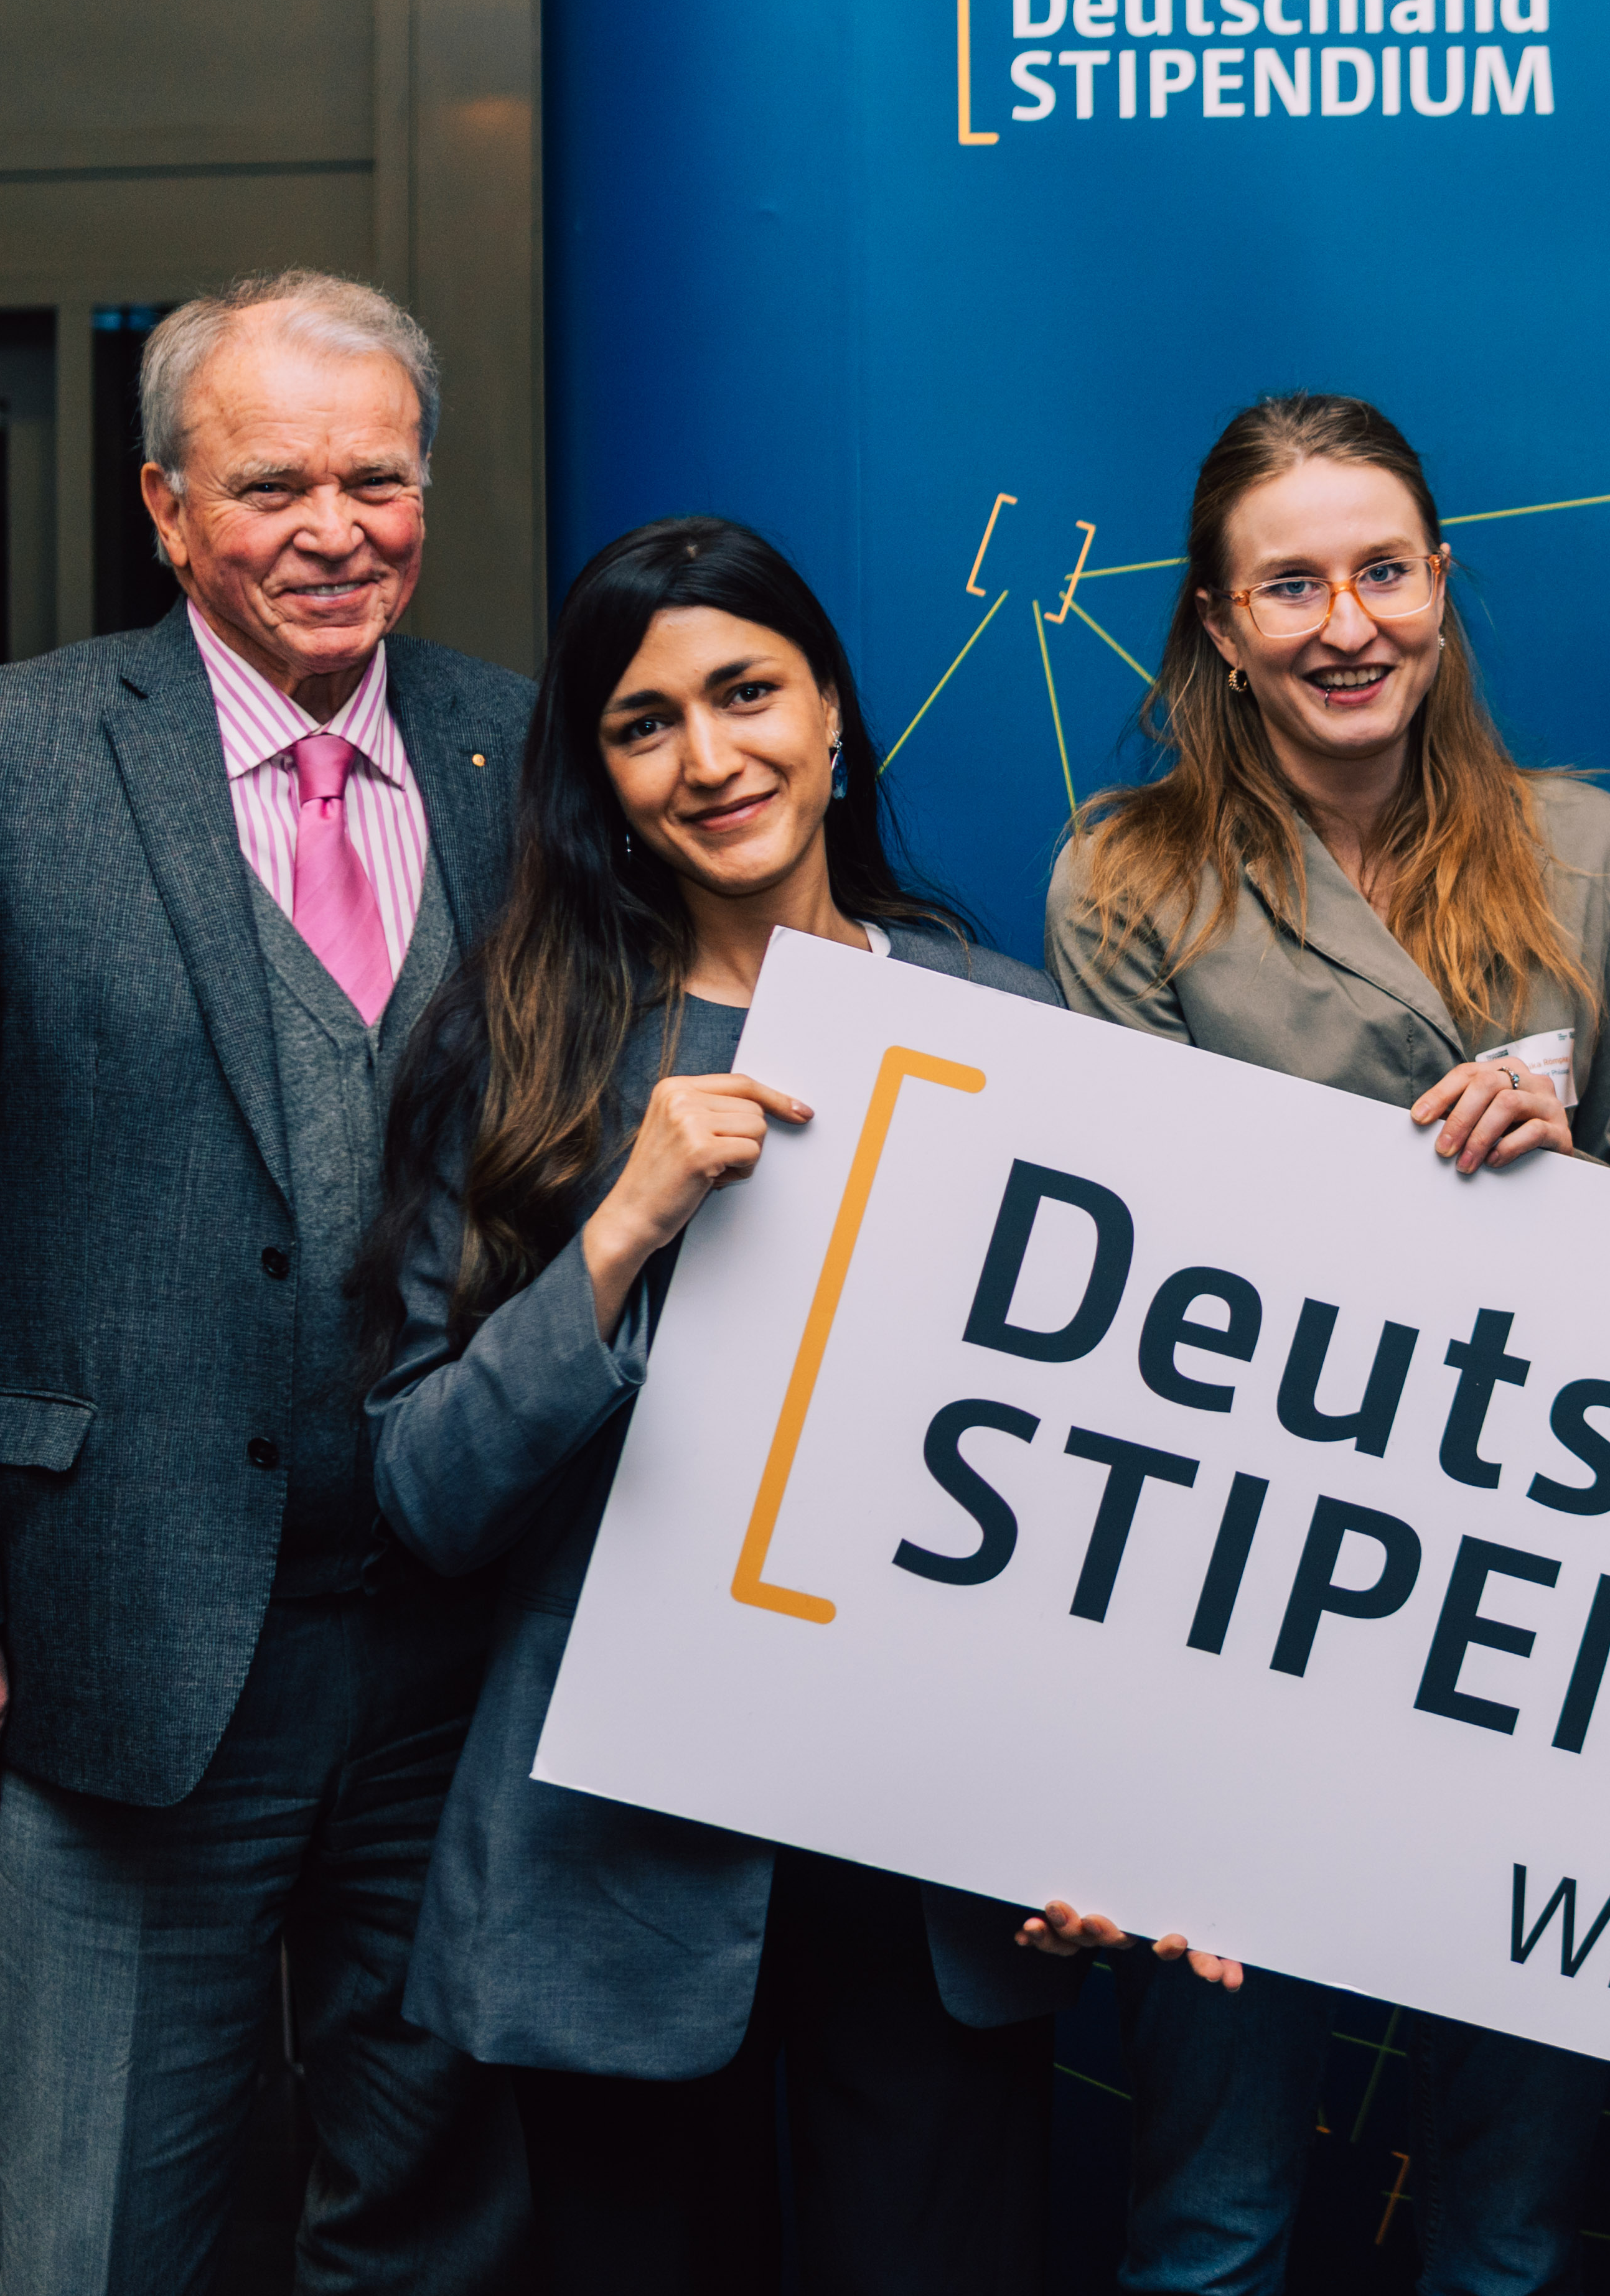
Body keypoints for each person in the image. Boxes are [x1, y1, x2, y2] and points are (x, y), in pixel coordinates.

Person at [0, 269, 530, 2289]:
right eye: (271, 485)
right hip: (120, 1641)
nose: (334, 528)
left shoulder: (518, 751)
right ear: (167, 509)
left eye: (377, 478)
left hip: (458, 1652)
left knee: (437, 2222)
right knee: (110, 2230)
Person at [359, 514, 1083, 2288]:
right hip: (611, 1869)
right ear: (602, 783)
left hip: (931, 1862)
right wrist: (620, 1230)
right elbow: (426, 1495)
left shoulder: (1015, 1030)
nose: (710, 758)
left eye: (747, 693)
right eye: (645, 723)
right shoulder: (520, 1048)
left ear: (831, 714)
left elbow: (1106, 1482)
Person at [1039, 390, 1610, 2295]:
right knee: (1215, 2216)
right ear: (1220, 626)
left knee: (1512, 2231)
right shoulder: (1126, 878)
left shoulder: (1586, 850)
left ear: (1443, 586)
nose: (1348, 626)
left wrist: (1568, 1179)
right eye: (1292, 586)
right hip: (1249, 1621)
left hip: (1528, 1610)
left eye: (1384, 573)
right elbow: (1137, 1278)